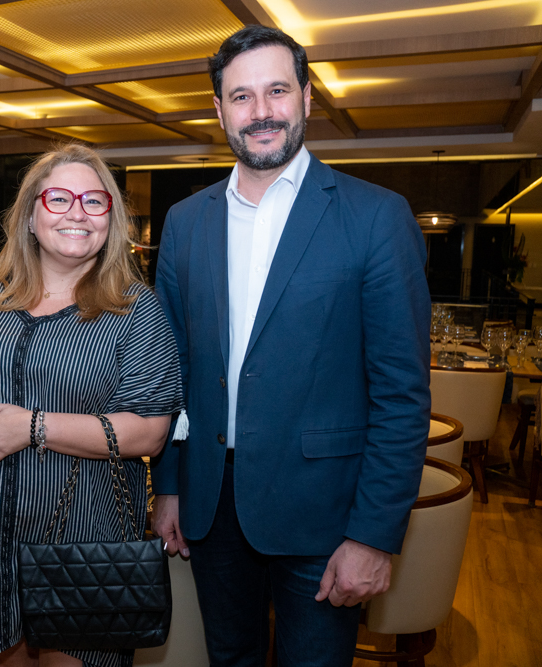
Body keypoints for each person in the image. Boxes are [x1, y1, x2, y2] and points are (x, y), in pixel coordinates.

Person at [151, 25, 431, 667]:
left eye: (277, 90)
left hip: (326, 517)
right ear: (218, 110)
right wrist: (168, 486)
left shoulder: (375, 216)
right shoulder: (186, 221)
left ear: (307, 97)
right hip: (211, 510)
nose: (262, 112)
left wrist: (373, 535)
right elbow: (176, 372)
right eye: (241, 97)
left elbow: (401, 395)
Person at [0, 144, 183, 667]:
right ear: (30, 214)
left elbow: (148, 433)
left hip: (81, 546)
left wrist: (33, 427)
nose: (77, 212)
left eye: (95, 201)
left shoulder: (134, 309)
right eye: (60, 198)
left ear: (111, 219)